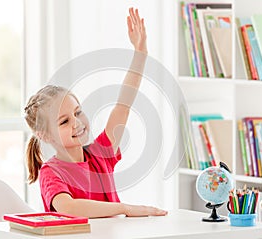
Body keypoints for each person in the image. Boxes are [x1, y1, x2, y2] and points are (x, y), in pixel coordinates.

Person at [24, 7, 168, 218]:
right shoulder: (51, 172)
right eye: (64, 121)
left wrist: (140, 54)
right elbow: (69, 208)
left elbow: (123, 105)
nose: (76, 122)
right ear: (45, 135)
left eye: (78, 112)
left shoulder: (101, 153)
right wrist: (124, 208)